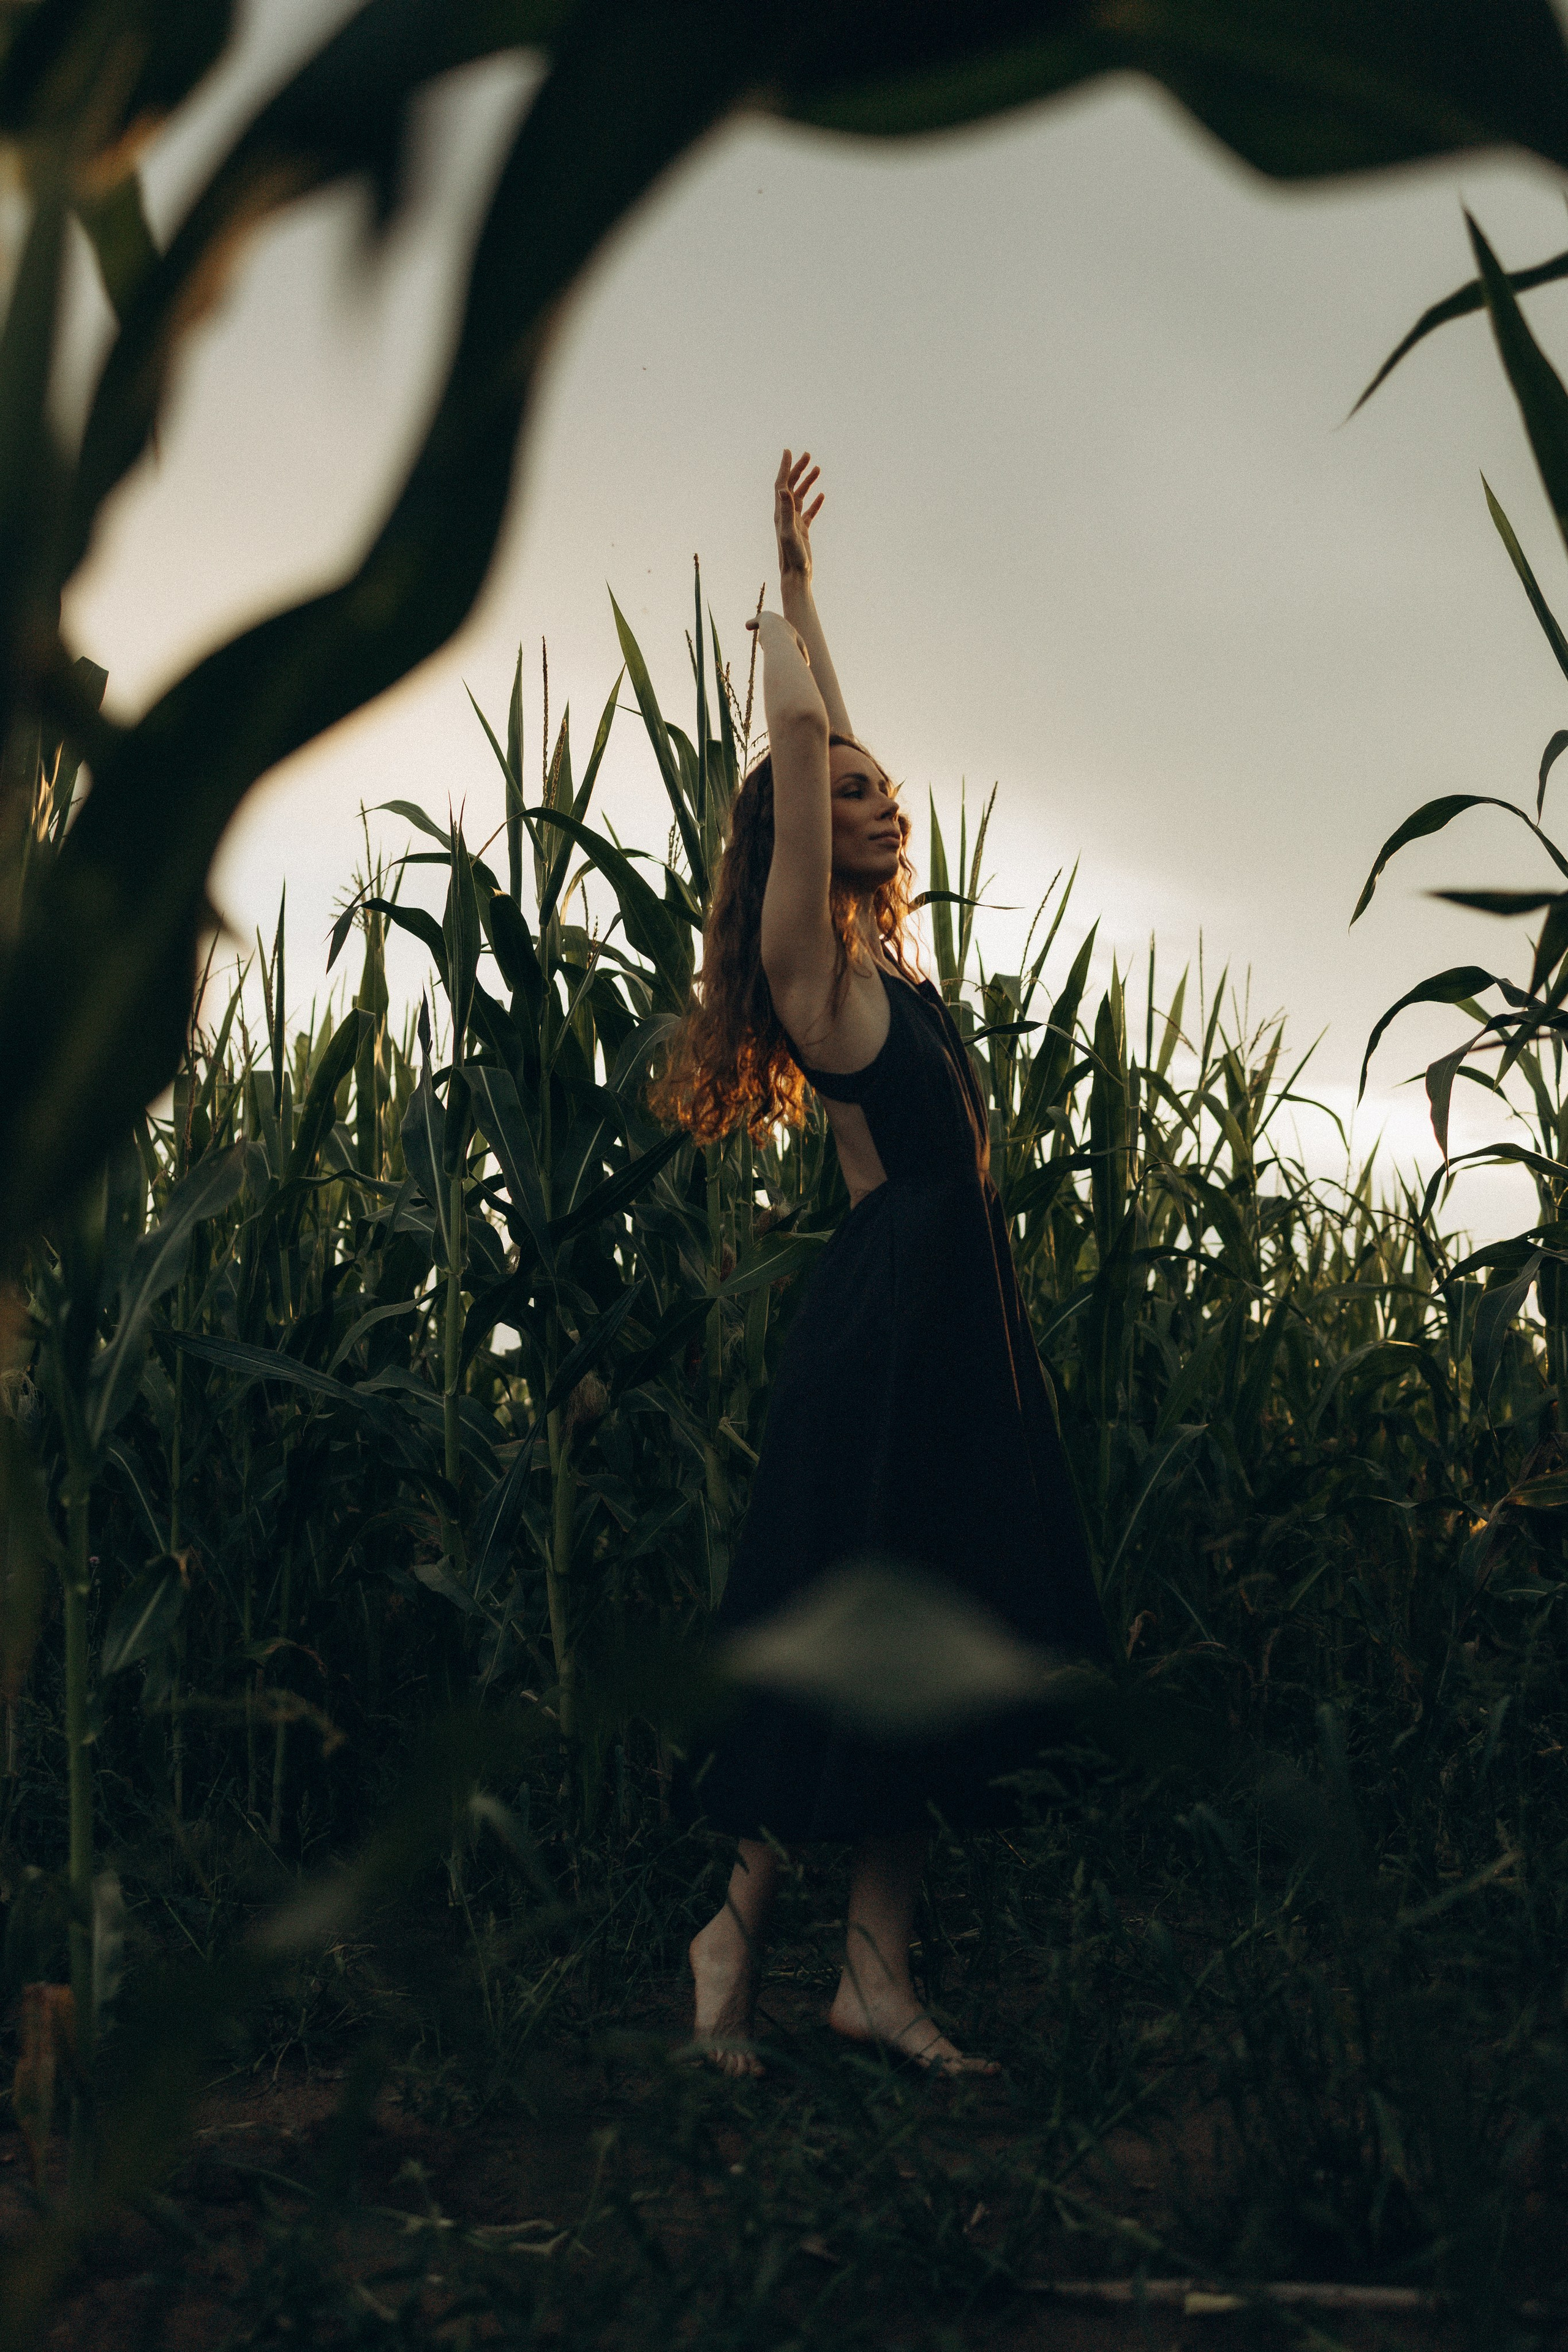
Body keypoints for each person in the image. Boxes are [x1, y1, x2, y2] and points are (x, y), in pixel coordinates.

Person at [650, 450, 1109, 2076]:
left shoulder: (883, 965)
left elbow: (821, 743)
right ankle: (731, 1938)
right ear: (794, 832)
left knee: (926, 1647)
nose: (879, 799)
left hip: (955, 1329)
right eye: (850, 797)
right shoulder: (810, 970)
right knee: (838, 1636)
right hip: (886, 1337)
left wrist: (812, 599)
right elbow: (794, 746)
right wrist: (773, 624)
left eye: (882, 788)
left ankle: (873, 1981)